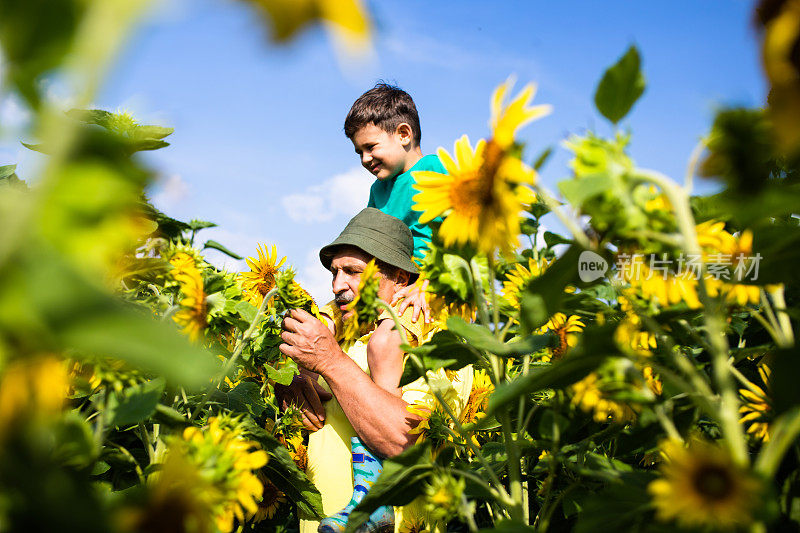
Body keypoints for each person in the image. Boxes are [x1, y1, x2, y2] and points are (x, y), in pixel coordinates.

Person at [278, 208, 471, 533]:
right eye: (334, 272)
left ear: (400, 278)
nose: (338, 285)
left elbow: (405, 443)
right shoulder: (338, 335)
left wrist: (330, 362)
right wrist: (289, 382)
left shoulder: (436, 343)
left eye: (353, 271)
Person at [344, 83, 446, 324]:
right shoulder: (378, 190)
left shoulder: (434, 170)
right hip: (393, 289)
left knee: (385, 343)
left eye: (370, 147)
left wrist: (428, 283)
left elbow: (461, 235)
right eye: (359, 152)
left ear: (403, 134)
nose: (365, 159)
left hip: (435, 288)